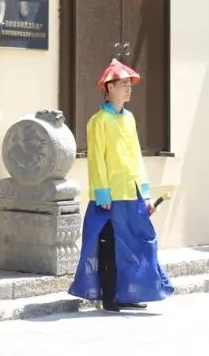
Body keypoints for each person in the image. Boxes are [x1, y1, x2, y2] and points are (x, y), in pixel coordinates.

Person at [68, 58, 174, 313]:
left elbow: (136, 156)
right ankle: (110, 297)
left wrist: (145, 194)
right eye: (124, 84)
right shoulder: (98, 121)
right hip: (111, 196)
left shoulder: (130, 119)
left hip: (132, 192)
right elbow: (96, 160)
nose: (128, 89)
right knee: (112, 247)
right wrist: (102, 194)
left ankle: (129, 293)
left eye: (129, 84)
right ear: (110, 87)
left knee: (138, 243)